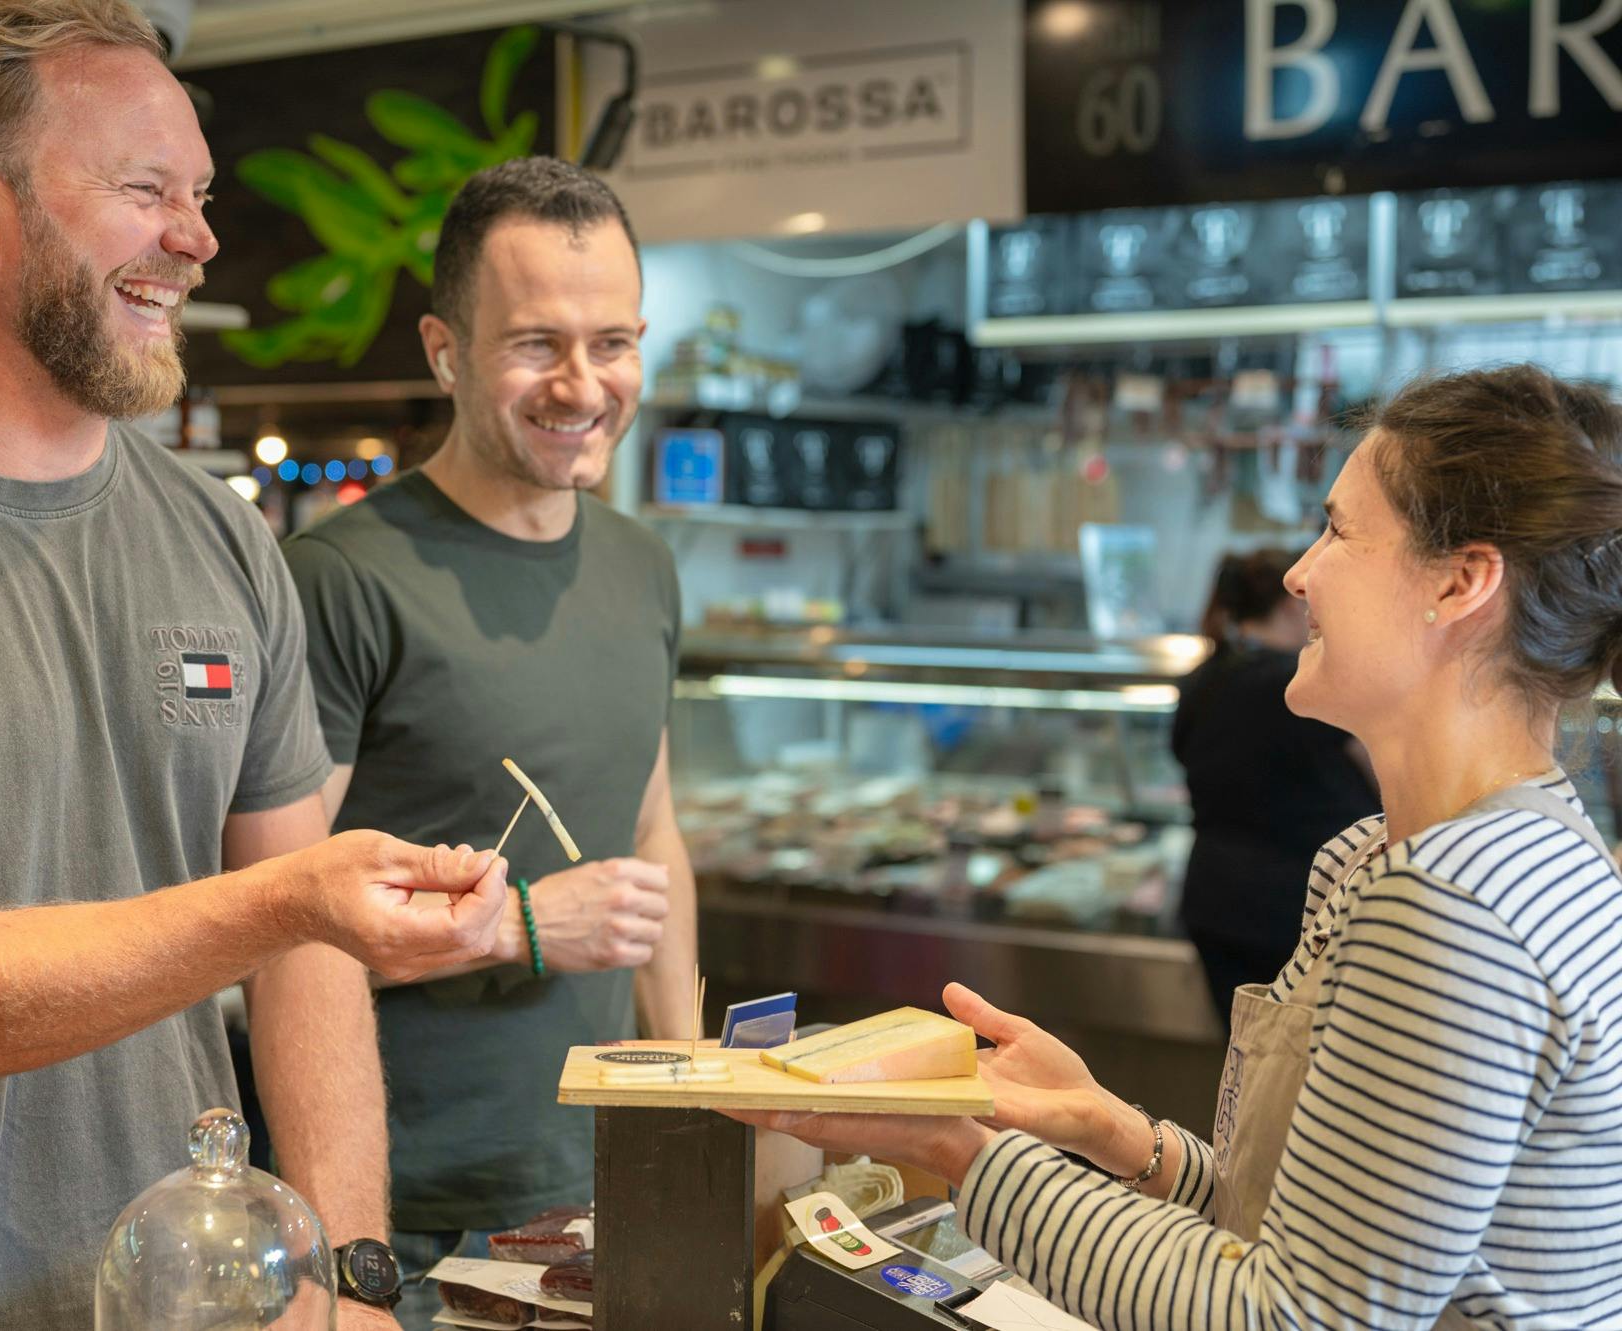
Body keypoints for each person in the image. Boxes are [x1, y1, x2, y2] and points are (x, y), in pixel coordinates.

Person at [0, 4, 504, 1328]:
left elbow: (308, 961)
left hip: (179, 1297)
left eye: (198, 195)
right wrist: (285, 898)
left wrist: (352, 1273)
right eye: (148, 192)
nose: (197, 239)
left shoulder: (221, 541)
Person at [735, 364, 1622, 1327]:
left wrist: (959, 1148)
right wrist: (1112, 1130)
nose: (1298, 571)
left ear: (1459, 582)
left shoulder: (1457, 907)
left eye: (1338, 529)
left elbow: (1288, 1316)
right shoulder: (1419, 855)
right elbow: (1320, 1246)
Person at [280, 157, 697, 1326]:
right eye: (534, 345)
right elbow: (263, 926)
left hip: (605, 1185)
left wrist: (703, 1092)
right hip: (400, 1217)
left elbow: (652, 832)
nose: (582, 383)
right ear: (442, 348)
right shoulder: (338, 579)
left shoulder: (640, 564)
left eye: (611, 342)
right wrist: (516, 927)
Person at [1175, 549, 1378, 1024]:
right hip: (1297, 910)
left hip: (1215, 899)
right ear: (1291, 604)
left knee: (1245, 1058)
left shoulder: (1202, 678)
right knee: (1291, 1069)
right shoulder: (1304, 683)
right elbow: (1385, 770)